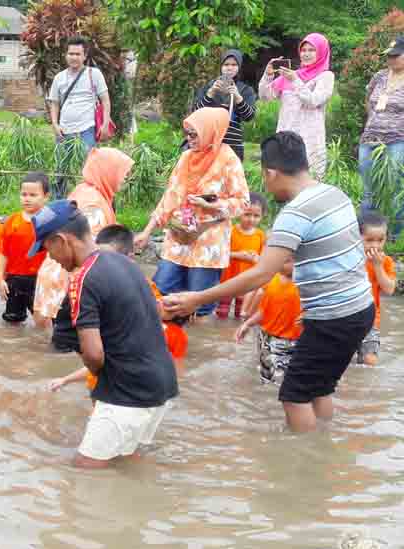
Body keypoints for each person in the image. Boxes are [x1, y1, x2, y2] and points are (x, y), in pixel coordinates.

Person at [164, 132, 375, 433]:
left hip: (334, 316)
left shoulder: (296, 212)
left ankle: (303, 465)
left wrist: (196, 299)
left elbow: (261, 274)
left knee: (293, 395)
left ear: (271, 172)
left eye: (264, 177)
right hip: (359, 309)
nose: (264, 185)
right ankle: (325, 442)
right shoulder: (334, 194)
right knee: (319, 387)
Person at [33, 202, 178, 468]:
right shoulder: (124, 263)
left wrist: (99, 380)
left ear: (61, 241)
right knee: (125, 463)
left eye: (46, 248)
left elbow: (94, 355)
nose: (50, 257)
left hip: (128, 393)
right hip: (162, 383)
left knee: (84, 472)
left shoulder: (83, 279)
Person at [135, 107, 249, 316]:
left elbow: (243, 202)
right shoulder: (186, 157)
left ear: (210, 131)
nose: (189, 139)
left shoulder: (228, 160)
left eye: (194, 134)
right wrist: (147, 231)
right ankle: (167, 341)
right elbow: (170, 197)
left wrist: (211, 206)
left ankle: (194, 345)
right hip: (179, 237)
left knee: (200, 302)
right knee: (161, 290)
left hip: (208, 242)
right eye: (186, 134)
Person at [47, 224, 188, 393]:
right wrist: (65, 379)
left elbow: (101, 358)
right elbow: (99, 358)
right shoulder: (90, 283)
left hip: (122, 386)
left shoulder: (143, 292)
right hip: (115, 383)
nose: (103, 264)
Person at [40, 147, 134, 341]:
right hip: (66, 282)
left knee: (53, 344)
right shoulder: (94, 204)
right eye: (124, 173)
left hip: (55, 276)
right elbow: (91, 254)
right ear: (108, 171)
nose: (125, 179)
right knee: (67, 346)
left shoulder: (84, 191)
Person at [259, 33, 334, 178]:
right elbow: (265, 96)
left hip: (309, 139)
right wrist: (268, 75)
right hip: (285, 136)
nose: (306, 54)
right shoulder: (291, 75)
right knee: (283, 179)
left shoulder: (326, 76)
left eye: (311, 50)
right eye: (303, 50)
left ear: (321, 52)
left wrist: (295, 81)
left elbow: (314, 100)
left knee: (309, 179)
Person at [358, 37, 404, 238]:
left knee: (394, 188)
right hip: (370, 139)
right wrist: (375, 121)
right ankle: (366, 233)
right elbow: (368, 101)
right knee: (369, 189)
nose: (391, 60)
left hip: (397, 140)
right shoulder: (379, 76)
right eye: (389, 56)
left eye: (396, 56)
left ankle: (393, 234)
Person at [235, 261, 302, 385]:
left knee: (281, 384)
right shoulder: (274, 278)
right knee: (266, 377)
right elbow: (264, 310)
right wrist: (248, 324)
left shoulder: (307, 286)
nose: (279, 263)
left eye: (286, 261)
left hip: (289, 342)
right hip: (265, 337)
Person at [0, 172, 49, 325]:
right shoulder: (12, 221)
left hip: (40, 280)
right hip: (14, 279)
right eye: (24, 194)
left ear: (46, 196)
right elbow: (3, 252)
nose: (27, 198)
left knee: (43, 321)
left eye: (33, 195)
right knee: (12, 321)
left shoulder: (49, 222)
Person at [48, 37, 111, 159]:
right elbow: (54, 103)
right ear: (66, 55)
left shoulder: (94, 74)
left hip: (86, 130)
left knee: (85, 168)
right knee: (62, 170)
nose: (74, 57)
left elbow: (105, 100)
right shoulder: (59, 78)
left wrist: (105, 124)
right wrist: (55, 124)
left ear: (84, 56)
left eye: (78, 54)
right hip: (64, 131)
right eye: (71, 54)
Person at [192, 50, 257, 161]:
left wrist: (238, 97)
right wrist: (210, 94)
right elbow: (196, 112)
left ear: (239, 67)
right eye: (226, 64)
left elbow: (249, 116)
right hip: (208, 141)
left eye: (234, 65)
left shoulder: (245, 90)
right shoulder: (209, 86)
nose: (229, 68)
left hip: (233, 144)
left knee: (230, 176)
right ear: (221, 66)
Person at [355, 210, 396, 366]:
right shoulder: (350, 258)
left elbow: (389, 289)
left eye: (380, 240)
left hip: (370, 320)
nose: (375, 245)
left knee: (369, 361)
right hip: (346, 317)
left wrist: (377, 266)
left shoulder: (385, 262)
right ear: (357, 238)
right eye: (369, 240)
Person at [216, 193, 267, 319]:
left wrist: (255, 258)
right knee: (222, 312)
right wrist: (238, 255)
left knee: (240, 314)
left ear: (262, 216)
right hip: (228, 279)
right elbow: (219, 254)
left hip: (246, 282)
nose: (251, 219)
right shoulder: (230, 231)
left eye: (256, 216)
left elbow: (263, 259)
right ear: (239, 212)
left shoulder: (260, 236)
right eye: (247, 214)